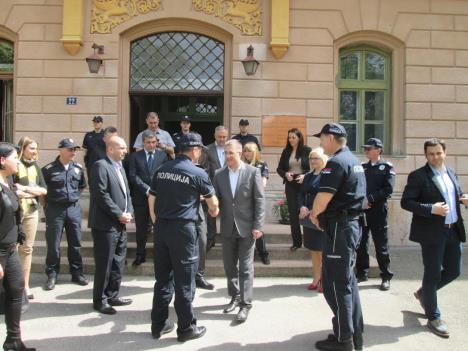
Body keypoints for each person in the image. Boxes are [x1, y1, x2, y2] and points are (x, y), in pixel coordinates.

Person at [148, 132, 219, 342]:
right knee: (185, 281)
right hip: (183, 231)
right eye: (199, 150)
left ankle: (158, 325)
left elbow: (151, 197)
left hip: (162, 228)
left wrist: (156, 221)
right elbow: (213, 206)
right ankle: (186, 328)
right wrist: (212, 209)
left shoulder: (162, 170)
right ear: (195, 150)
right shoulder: (197, 173)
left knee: (162, 280)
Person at [401, 138, 467, 338]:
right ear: (426, 155)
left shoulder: (452, 173)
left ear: (444, 152)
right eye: (431, 154)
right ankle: (433, 317)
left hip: (452, 229)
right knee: (433, 274)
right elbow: (406, 202)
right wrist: (431, 209)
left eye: (438, 153)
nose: (435, 157)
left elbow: (456, 195)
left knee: (454, 271)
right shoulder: (418, 176)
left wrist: (463, 198)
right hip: (431, 233)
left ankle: (424, 294)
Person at [309, 123, 366, 351]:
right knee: (348, 282)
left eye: (322, 138)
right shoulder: (353, 159)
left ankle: (345, 339)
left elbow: (323, 198)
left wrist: (314, 214)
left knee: (335, 284)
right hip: (349, 227)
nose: (321, 143)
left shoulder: (336, 163)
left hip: (340, 230)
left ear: (330, 137)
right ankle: (353, 333)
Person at [214, 139, 265, 323]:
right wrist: (213, 208)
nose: (227, 156)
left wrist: (258, 226)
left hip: (247, 227)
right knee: (229, 266)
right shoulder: (219, 174)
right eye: (225, 153)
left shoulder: (253, 172)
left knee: (245, 267)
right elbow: (216, 199)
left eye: (231, 153)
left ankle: (245, 304)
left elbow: (260, 200)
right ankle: (234, 296)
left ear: (240, 153)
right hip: (227, 227)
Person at [88, 136, 134, 315]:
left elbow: (127, 192)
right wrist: (118, 214)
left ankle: (113, 294)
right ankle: (100, 300)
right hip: (105, 225)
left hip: (120, 224)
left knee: (118, 261)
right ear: (110, 150)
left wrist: (128, 211)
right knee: (105, 264)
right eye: (121, 148)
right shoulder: (101, 166)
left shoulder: (120, 168)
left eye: (125, 148)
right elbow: (101, 194)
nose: (125, 151)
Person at [0, 142, 36, 351]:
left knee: (16, 291)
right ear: (2, 160)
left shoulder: (8, 181)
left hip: (11, 248)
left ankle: (13, 341)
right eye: (14, 157)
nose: (17, 161)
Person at [41, 138, 88, 291]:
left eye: (75, 149)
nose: (73, 152)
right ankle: (52, 274)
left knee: (75, 243)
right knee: (54, 244)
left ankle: (76, 273)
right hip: (55, 209)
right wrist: (46, 207)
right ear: (60, 150)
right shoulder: (48, 169)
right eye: (70, 149)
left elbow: (81, 187)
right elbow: (43, 191)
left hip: (73, 208)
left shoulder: (78, 168)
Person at [356, 138, 395, 291]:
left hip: (378, 211)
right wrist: (361, 200)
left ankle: (386, 276)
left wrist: (370, 198)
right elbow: (357, 185)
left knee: (381, 245)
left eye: (369, 148)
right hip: (363, 210)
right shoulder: (362, 167)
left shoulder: (386, 167)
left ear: (378, 150)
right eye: (365, 148)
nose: (366, 151)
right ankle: (361, 273)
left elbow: (388, 189)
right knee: (361, 243)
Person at [13, 137, 47, 300]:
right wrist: (33, 191)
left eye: (36, 148)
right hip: (15, 212)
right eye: (32, 148)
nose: (35, 151)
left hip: (32, 212)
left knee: (27, 249)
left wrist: (25, 189)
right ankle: (11, 284)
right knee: (12, 248)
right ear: (23, 148)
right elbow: (13, 190)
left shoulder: (35, 167)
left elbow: (44, 190)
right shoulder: (14, 165)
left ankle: (25, 286)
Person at [128, 131, 167, 267]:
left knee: (159, 226)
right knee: (141, 228)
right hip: (140, 197)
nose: (151, 145)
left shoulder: (163, 155)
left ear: (156, 142)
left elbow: (164, 174)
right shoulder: (135, 156)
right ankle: (140, 254)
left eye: (153, 142)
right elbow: (133, 176)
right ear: (143, 142)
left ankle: (159, 255)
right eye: (148, 142)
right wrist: (147, 189)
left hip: (159, 198)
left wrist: (155, 191)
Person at [276, 128, 311, 251]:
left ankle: (310, 241)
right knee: (293, 214)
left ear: (299, 138)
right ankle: (296, 243)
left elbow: (314, 168)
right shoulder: (286, 151)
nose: (290, 140)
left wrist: (305, 175)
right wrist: (285, 174)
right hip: (290, 184)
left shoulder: (307, 150)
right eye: (289, 137)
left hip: (304, 183)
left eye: (293, 137)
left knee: (306, 211)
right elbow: (279, 168)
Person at [298, 147, 327, 292]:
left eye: (316, 158)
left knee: (322, 251)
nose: (313, 161)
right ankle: (316, 279)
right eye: (311, 158)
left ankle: (324, 280)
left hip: (320, 216)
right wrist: (302, 206)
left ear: (323, 160)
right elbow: (301, 194)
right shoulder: (308, 176)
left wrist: (314, 211)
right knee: (314, 251)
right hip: (308, 218)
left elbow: (326, 197)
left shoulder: (327, 175)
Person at [242, 142, 270, 265]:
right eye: (245, 151)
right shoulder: (241, 165)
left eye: (249, 151)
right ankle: (249, 254)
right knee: (246, 228)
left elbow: (263, 183)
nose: (247, 153)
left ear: (255, 152)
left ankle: (263, 254)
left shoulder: (262, 164)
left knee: (257, 228)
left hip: (256, 199)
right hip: (244, 201)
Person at [205, 125, 229, 249]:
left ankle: (226, 238)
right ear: (215, 136)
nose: (222, 139)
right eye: (219, 137)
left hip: (228, 187)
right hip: (212, 187)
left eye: (224, 137)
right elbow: (206, 170)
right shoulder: (207, 149)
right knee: (211, 213)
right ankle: (211, 238)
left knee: (227, 213)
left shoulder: (231, 149)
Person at [82, 115, 105, 181]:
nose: (96, 123)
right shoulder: (88, 135)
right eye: (94, 122)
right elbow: (85, 149)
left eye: (97, 122)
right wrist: (86, 160)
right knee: (91, 181)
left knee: (101, 180)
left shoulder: (105, 135)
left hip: (102, 162)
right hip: (91, 162)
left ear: (101, 123)